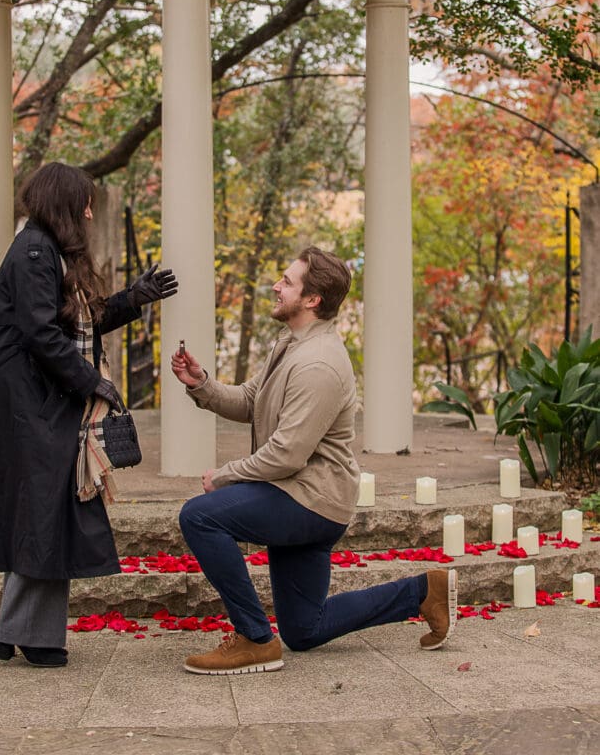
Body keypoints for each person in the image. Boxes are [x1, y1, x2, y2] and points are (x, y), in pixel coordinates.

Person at [171, 245, 457, 675]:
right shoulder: (291, 343)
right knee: (305, 629)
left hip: (310, 500)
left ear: (312, 299)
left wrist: (226, 476)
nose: (275, 286)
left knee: (200, 516)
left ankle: (253, 639)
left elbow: (287, 453)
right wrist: (203, 385)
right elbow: (252, 399)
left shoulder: (319, 363)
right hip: (298, 494)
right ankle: (422, 592)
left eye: (287, 282)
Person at [0, 162, 178, 667]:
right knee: (45, 511)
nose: (89, 211)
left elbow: (80, 319)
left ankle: (16, 631)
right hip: (29, 401)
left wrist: (134, 298)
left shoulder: (49, 252)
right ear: (62, 203)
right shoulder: (35, 250)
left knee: (46, 510)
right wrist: (94, 383)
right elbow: (43, 334)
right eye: (83, 202)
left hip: (38, 398)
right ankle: (35, 637)